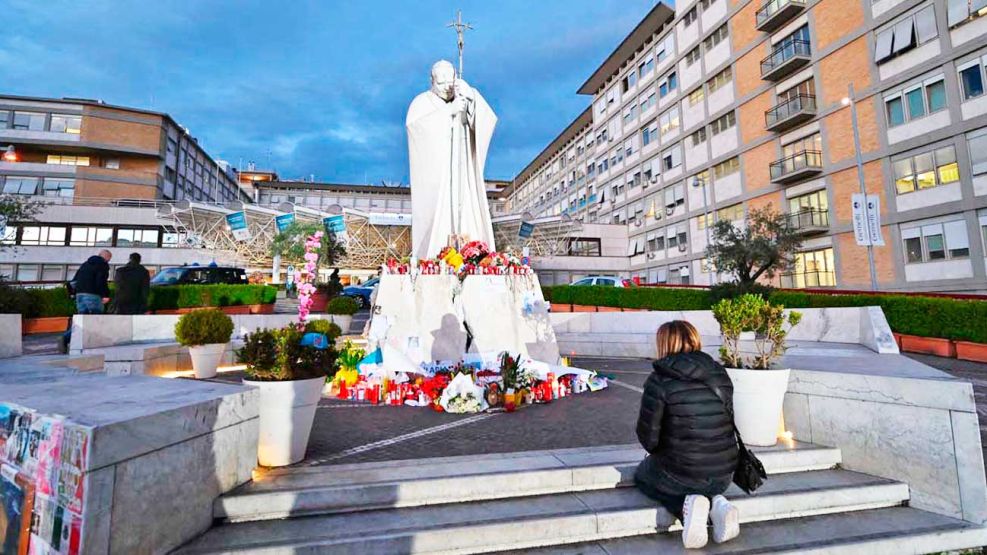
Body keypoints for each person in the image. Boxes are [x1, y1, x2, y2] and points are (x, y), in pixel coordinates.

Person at [634, 320, 740, 549]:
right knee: (697, 476)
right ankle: (717, 504)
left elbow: (649, 440)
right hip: (724, 474)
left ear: (663, 343)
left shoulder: (659, 379)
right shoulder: (719, 373)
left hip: (681, 475)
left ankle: (688, 507)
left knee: (643, 477)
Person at [62, 249, 112, 352]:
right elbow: (101, 281)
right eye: (109, 259)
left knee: (82, 321)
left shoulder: (85, 264)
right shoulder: (102, 265)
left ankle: (68, 338)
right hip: (93, 295)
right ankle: (68, 338)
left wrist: (73, 293)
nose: (108, 261)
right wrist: (105, 295)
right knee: (95, 320)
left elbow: (74, 281)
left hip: (80, 295)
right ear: (106, 257)